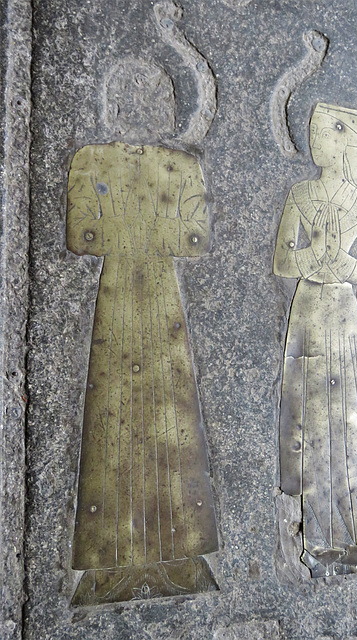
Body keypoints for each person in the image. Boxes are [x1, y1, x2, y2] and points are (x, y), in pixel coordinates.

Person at [66, 60, 218, 605]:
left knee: (169, 408)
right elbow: (80, 236)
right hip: (119, 296)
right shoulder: (91, 160)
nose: (140, 109)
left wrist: (151, 211)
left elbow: (195, 239)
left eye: (150, 99)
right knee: (116, 413)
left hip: (158, 292)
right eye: (130, 100)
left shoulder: (179, 167)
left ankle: (175, 556)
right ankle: (111, 564)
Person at [273, 103, 357, 578]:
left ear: (344, 143)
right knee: (309, 415)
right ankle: (316, 532)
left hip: (343, 311)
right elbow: (284, 261)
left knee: (348, 414)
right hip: (307, 308)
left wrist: (344, 267)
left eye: (322, 134)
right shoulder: (300, 194)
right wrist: (311, 260)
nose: (314, 142)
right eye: (312, 134)